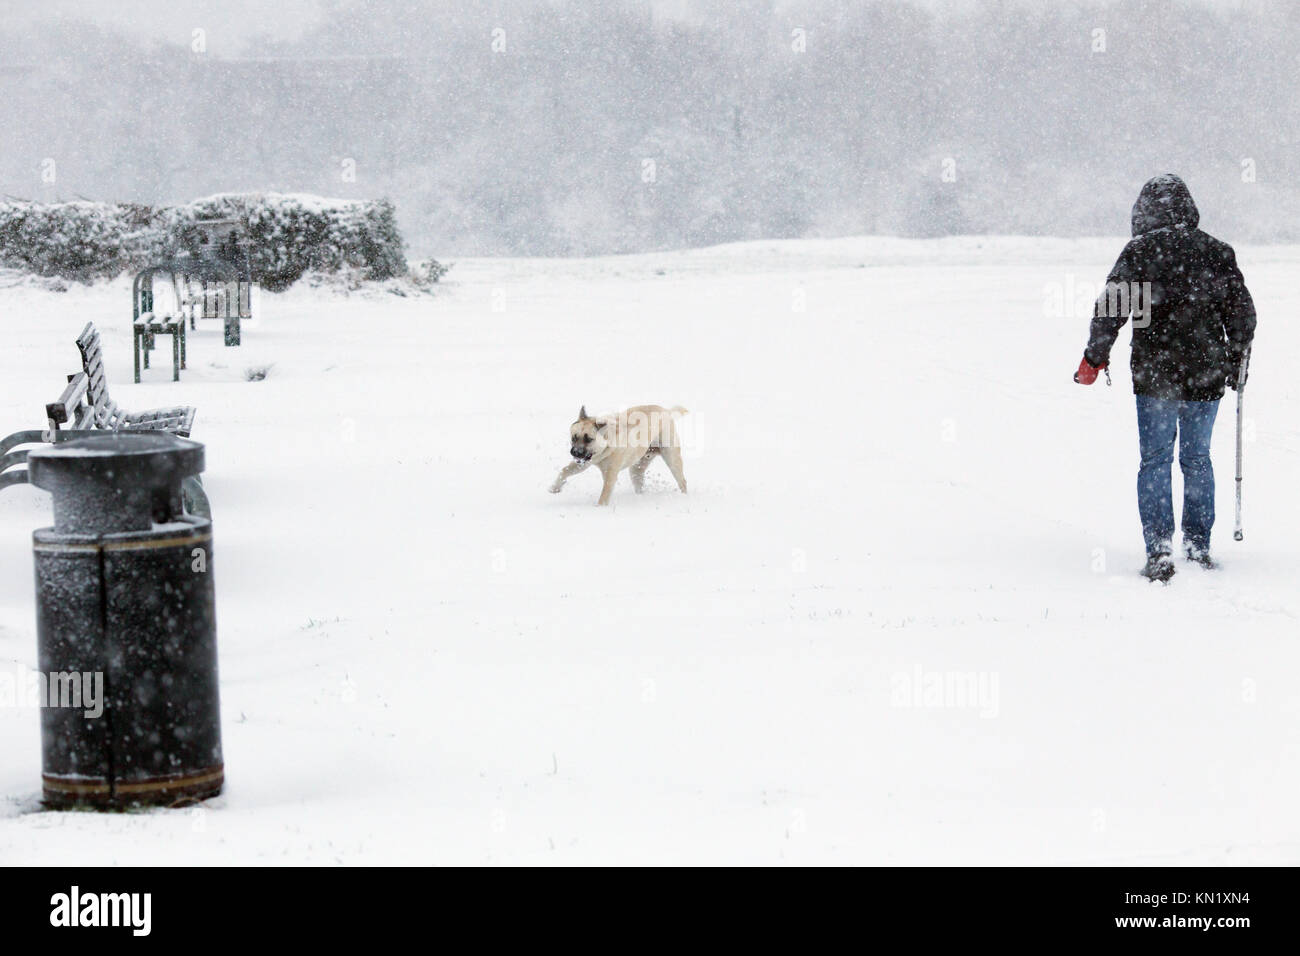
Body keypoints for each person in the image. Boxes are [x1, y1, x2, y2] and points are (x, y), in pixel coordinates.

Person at [1075, 174, 1256, 582]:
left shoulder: (1140, 252)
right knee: (1197, 459)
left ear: (1145, 211)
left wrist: (1094, 357)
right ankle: (1198, 545)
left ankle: (1159, 547)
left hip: (1156, 373)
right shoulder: (1216, 251)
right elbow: (1242, 314)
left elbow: (1110, 309)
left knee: (1155, 460)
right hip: (1206, 372)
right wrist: (1236, 358)